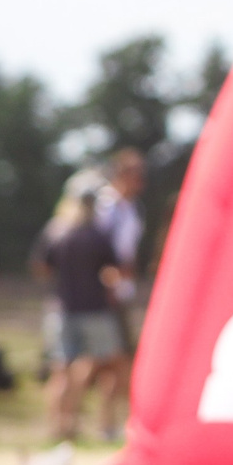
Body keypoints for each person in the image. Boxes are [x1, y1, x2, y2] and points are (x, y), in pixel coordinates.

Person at [29, 187, 126, 443]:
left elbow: (41, 267)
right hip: (95, 309)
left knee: (61, 369)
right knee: (109, 367)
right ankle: (106, 426)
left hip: (61, 308)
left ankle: (59, 427)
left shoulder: (55, 230)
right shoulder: (97, 234)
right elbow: (114, 272)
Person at [90, 149, 147, 439]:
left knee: (120, 360)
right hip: (108, 292)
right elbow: (101, 251)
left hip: (123, 291)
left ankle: (112, 423)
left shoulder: (131, 207)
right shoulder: (107, 205)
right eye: (136, 174)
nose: (141, 181)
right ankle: (110, 423)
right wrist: (109, 284)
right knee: (111, 360)